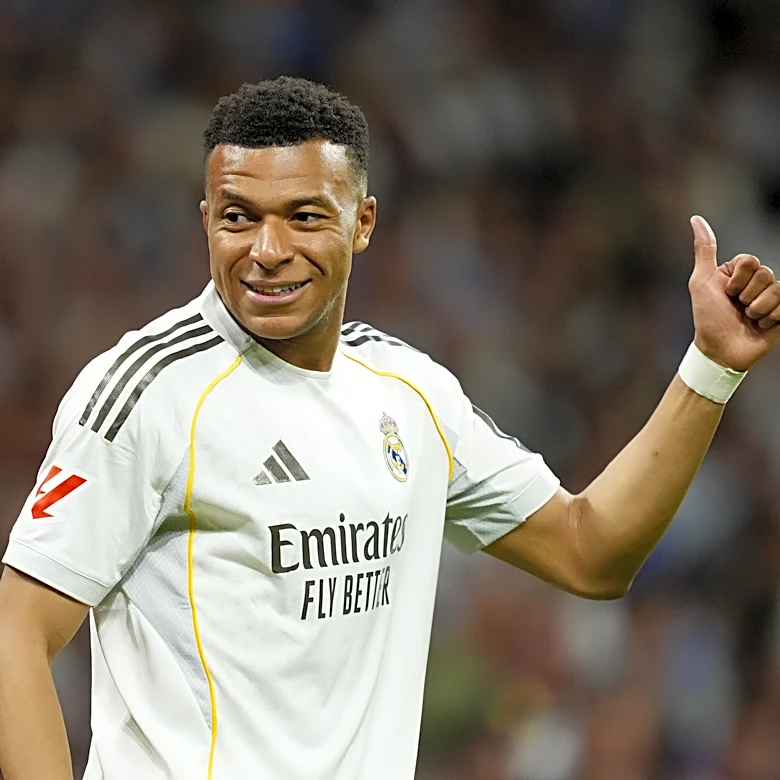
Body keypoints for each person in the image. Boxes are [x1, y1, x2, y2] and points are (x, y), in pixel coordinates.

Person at [0, 76, 778, 780]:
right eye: (238, 218)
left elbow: (591, 551)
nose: (267, 251)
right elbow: (16, 632)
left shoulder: (409, 392)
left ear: (362, 221)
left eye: (305, 217)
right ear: (207, 220)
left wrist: (712, 367)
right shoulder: (150, 393)